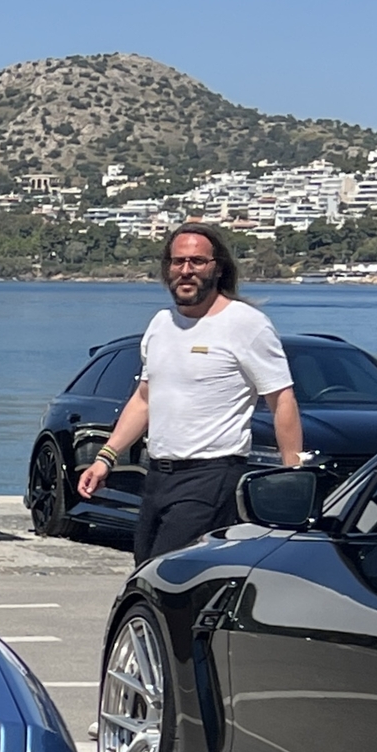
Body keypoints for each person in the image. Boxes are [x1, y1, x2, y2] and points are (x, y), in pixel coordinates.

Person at [77, 223, 304, 564]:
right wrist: (105, 458)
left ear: (218, 267)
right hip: (156, 476)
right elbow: (144, 399)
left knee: (169, 575)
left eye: (197, 261)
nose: (186, 271)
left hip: (211, 478)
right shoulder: (160, 324)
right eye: (178, 261)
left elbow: (282, 400)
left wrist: (292, 476)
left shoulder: (246, 324)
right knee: (146, 572)